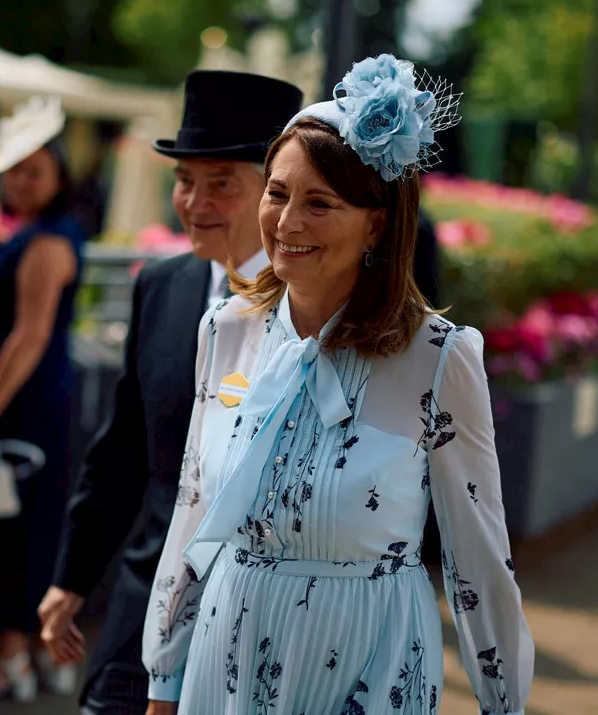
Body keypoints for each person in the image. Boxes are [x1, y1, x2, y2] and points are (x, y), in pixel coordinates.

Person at [140, 54, 534, 715]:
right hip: (224, 659)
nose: (287, 223)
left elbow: (479, 556)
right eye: (277, 192)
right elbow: (193, 507)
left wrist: (502, 704)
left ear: (375, 222)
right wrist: (162, 678)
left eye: (319, 203)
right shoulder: (226, 330)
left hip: (366, 665)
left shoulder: (438, 358)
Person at [37, 71, 306, 715]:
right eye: (185, 181)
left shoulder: (315, 310)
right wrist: (72, 578)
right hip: (144, 600)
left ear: (275, 193)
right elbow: (122, 447)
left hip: (263, 622)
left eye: (221, 184)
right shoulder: (162, 287)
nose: (194, 201)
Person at [0, 97, 90, 702]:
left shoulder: (46, 242)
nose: (20, 180)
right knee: (27, 528)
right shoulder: (39, 234)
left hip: (21, 408)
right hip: (34, 403)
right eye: (14, 169)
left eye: (36, 170)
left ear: (59, 177)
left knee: (12, 533)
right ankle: (32, 653)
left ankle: (11, 657)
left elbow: (28, 334)